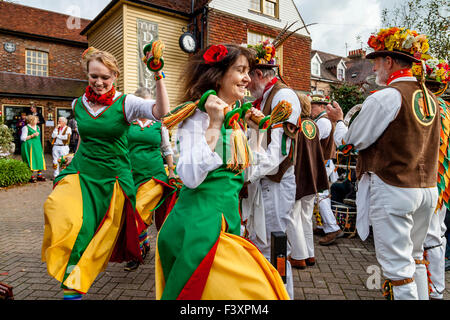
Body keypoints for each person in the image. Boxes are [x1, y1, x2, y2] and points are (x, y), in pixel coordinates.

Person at [156, 44, 289, 300]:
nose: (248, 78)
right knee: (258, 293)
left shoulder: (234, 118)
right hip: (199, 229)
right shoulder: (197, 117)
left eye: (248, 71)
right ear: (219, 76)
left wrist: (260, 132)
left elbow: (247, 172)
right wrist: (214, 124)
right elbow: (189, 177)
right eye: (241, 70)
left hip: (225, 224)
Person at [41, 46, 170, 300]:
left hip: (112, 179)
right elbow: (85, 140)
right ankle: (71, 275)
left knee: (92, 232)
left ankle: (73, 286)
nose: (99, 82)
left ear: (115, 76)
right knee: (58, 210)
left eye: (105, 77)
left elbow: (161, 113)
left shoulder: (127, 103)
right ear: (87, 75)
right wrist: (71, 158)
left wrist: (158, 75)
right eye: (93, 76)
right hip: (81, 172)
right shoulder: (77, 104)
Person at [327, 28, 440, 300]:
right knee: (415, 259)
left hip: (394, 187)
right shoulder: (430, 98)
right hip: (426, 190)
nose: (374, 66)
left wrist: (339, 122)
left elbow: (350, 143)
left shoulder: (386, 96)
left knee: (398, 271)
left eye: (377, 61)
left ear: (389, 62)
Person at [242, 39, 301, 298]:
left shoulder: (284, 96)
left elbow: (279, 152)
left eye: (247, 75)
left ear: (258, 74)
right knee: (260, 242)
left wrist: (244, 173)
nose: (245, 83)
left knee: (275, 245)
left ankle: (281, 294)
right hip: (263, 182)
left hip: (275, 183)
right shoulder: (264, 99)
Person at [124, 87, 177, 272]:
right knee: (134, 212)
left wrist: (171, 171)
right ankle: (143, 243)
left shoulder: (159, 124)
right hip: (131, 175)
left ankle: (137, 249)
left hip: (155, 175)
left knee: (139, 210)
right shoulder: (127, 123)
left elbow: (166, 148)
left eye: (150, 103)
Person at [285, 94, 329, 269]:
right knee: (306, 217)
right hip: (312, 176)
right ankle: (309, 254)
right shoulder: (313, 125)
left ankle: (298, 255)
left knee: (294, 216)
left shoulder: (296, 124)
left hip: (298, 175)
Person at [309, 95, 343, 246]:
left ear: (322, 107)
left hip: (322, 163)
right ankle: (324, 225)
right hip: (323, 162)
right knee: (320, 195)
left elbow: (312, 140)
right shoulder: (323, 120)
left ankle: (332, 228)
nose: (311, 110)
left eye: (313, 106)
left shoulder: (322, 121)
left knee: (320, 196)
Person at [20, 115, 46, 182]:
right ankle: (30, 176)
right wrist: (32, 135)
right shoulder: (26, 128)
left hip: (37, 145)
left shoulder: (38, 127)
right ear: (31, 120)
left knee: (39, 158)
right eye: (36, 120)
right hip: (29, 146)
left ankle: (39, 175)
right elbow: (23, 138)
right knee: (31, 159)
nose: (37, 121)